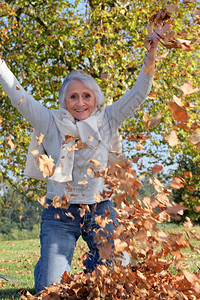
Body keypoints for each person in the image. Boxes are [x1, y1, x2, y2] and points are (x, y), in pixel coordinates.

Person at [0, 20, 171, 293]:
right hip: (59, 214)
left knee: (116, 281)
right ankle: (48, 264)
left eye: (86, 96)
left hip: (101, 210)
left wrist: (152, 51)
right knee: (49, 289)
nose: (80, 103)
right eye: (73, 97)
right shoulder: (50, 122)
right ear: (64, 102)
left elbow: (140, 92)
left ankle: (95, 261)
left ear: (96, 98)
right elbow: (19, 97)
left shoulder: (109, 118)